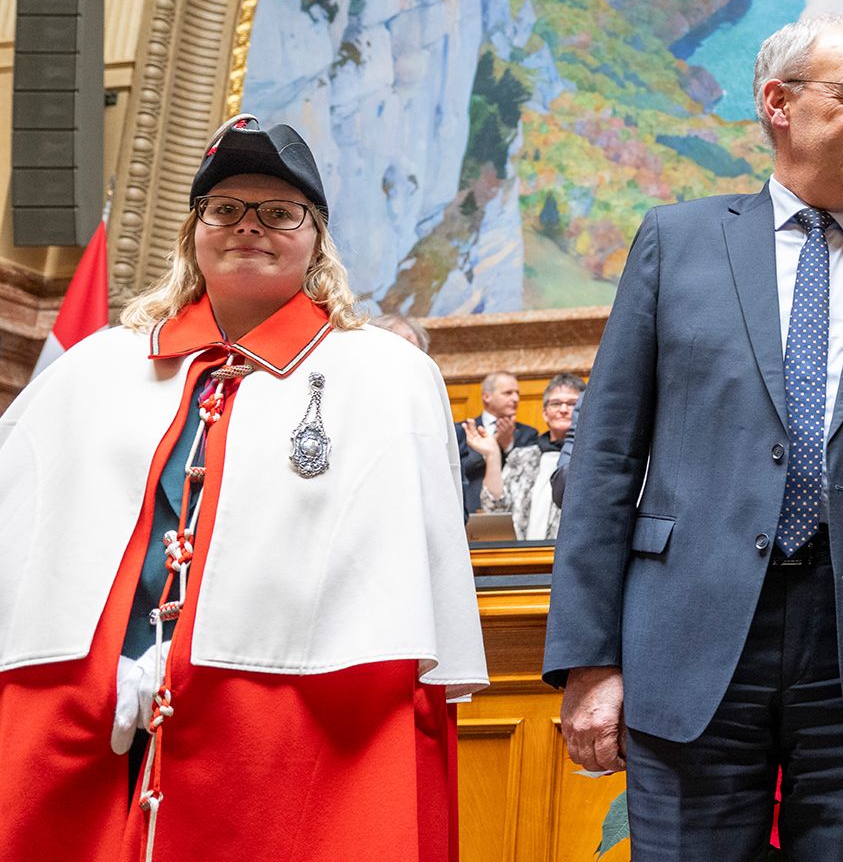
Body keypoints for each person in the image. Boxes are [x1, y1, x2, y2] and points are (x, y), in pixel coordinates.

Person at [544, 14, 843, 860]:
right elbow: (605, 457)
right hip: (688, 635)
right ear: (777, 103)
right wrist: (588, 661)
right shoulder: (675, 244)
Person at [0, 114, 487, 862]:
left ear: (316, 236)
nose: (247, 228)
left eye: (277, 212)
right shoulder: (98, 368)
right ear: (193, 232)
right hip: (97, 720)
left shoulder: (386, 378)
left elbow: (399, 575)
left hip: (293, 728)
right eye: (223, 209)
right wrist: (116, 665)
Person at [465, 373, 583, 540]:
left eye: (572, 404)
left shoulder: (590, 459)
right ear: (544, 413)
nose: (563, 410)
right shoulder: (522, 456)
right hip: (523, 557)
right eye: (556, 404)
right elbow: (496, 507)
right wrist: (493, 455)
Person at [458, 371, 538, 514]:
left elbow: (528, 475)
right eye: (508, 393)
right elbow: (457, 470)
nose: (515, 398)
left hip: (512, 515)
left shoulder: (529, 434)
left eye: (517, 393)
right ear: (487, 396)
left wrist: (508, 447)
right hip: (469, 512)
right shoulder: (463, 430)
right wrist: (491, 448)